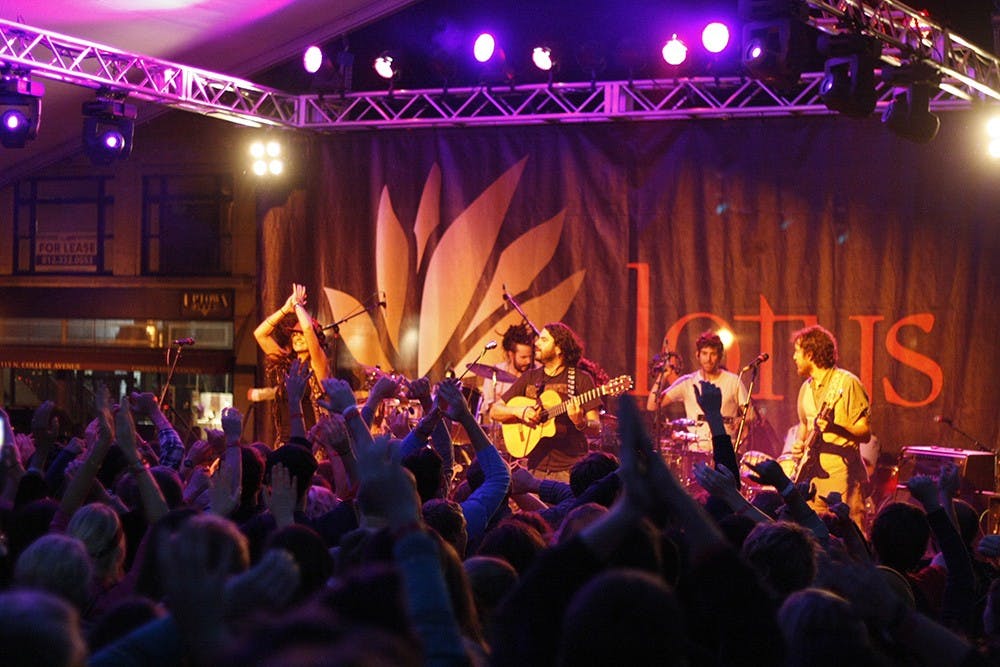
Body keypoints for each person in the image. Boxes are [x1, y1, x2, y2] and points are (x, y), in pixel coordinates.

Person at [489, 322, 602, 481]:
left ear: (558, 348)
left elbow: (596, 427)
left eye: (543, 340)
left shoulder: (580, 379)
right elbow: (495, 410)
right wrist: (519, 412)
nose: (536, 343)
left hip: (569, 470)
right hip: (534, 468)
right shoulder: (530, 377)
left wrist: (580, 423)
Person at [789, 324, 870, 525]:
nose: (794, 357)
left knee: (850, 540)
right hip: (811, 482)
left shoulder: (847, 383)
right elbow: (804, 425)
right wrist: (799, 444)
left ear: (809, 354)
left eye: (797, 352)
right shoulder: (805, 388)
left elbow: (865, 433)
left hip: (842, 480)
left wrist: (836, 429)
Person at [650, 331, 752, 453]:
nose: (708, 359)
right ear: (697, 355)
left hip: (726, 450)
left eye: (713, 354)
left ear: (720, 356)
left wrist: (741, 420)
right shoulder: (688, 382)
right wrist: (663, 375)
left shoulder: (733, 381)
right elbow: (652, 405)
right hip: (695, 452)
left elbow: (751, 414)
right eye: (704, 353)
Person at [253, 283, 330, 445]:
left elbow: (308, 328)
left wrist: (297, 305)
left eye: (301, 335)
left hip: (312, 444)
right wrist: (285, 309)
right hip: (284, 442)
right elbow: (260, 334)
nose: (297, 337)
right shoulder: (286, 364)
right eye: (294, 335)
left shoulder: (317, 364)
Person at [481, 323, 537, 418]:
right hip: (503, 428)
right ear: (511, 354)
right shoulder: (494, 373)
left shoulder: (537, 372)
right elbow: (488, 407)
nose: (528, 361)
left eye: (530, 356)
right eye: (523, 357)